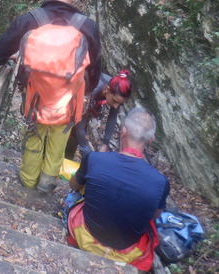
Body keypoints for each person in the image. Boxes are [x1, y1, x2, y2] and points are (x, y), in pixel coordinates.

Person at [0, 0, 102, 192]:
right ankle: (46, 184)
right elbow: (95, 73)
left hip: (35, 100)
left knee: (34, 138)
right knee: (58, 142)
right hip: (68, 104)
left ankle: (27, 182)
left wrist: (17, 57)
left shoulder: (29, 21)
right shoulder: (88, 27)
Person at [67, 107, 169, 271]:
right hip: (128, 252)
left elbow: (73, 185)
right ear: (151, 140)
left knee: (79, 193)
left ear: (123, 131)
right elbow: (154, 216)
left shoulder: (95, 159)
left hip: (86, 238)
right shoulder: (161, 182)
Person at [72, 69, 133, 157]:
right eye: (115, 101)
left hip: (87, 104)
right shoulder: (93, 90)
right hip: (72, 99)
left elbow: (112, 117)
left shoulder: (116, 89)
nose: (116, 106)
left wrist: (105, 144)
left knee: (75, 141)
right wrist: (84, 147)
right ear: (107, 89)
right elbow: (79, 123)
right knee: (72, 136)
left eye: (120, 103)